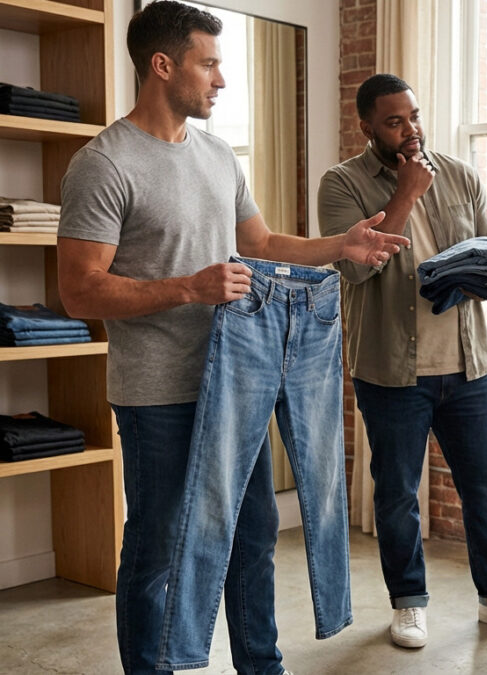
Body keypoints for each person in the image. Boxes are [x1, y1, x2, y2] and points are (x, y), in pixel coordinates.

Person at [55, 3, 407, 673]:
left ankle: (261, 665)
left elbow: (263, 243)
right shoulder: (103, 164)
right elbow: (80, 289)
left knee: (253, 533)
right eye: (209, 64)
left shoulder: (219, 156)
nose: (222, 81)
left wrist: (341, 244)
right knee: (159, 547)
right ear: (163, 66)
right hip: (158, 391)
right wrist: (190, 287)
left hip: (237, 386)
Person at [316, 73, 487, 650]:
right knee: (397, 492)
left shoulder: (462, 176)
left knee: (486, 489)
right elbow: (353, 269)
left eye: (414, 117)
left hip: (468, 366)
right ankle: (409, 604)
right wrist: (404, 195)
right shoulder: (341, 184)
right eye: (394, 121)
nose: (410, 130)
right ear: (367, 125)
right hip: (390, 372)